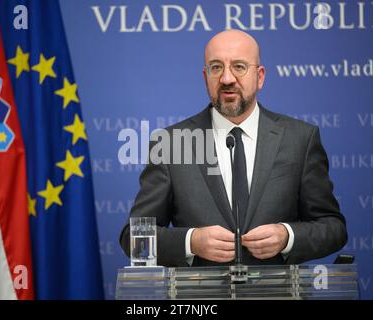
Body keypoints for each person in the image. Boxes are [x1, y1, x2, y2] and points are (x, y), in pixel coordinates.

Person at [119, 29, 347, 267]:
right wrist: (191, 241)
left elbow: (333, 228)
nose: (227, 78)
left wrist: (287, 236)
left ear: (260, 76)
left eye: (239, 66)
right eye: (216, 67)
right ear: (205, 76)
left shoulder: (300, 138)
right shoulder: (171, 143)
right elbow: (133, 239)